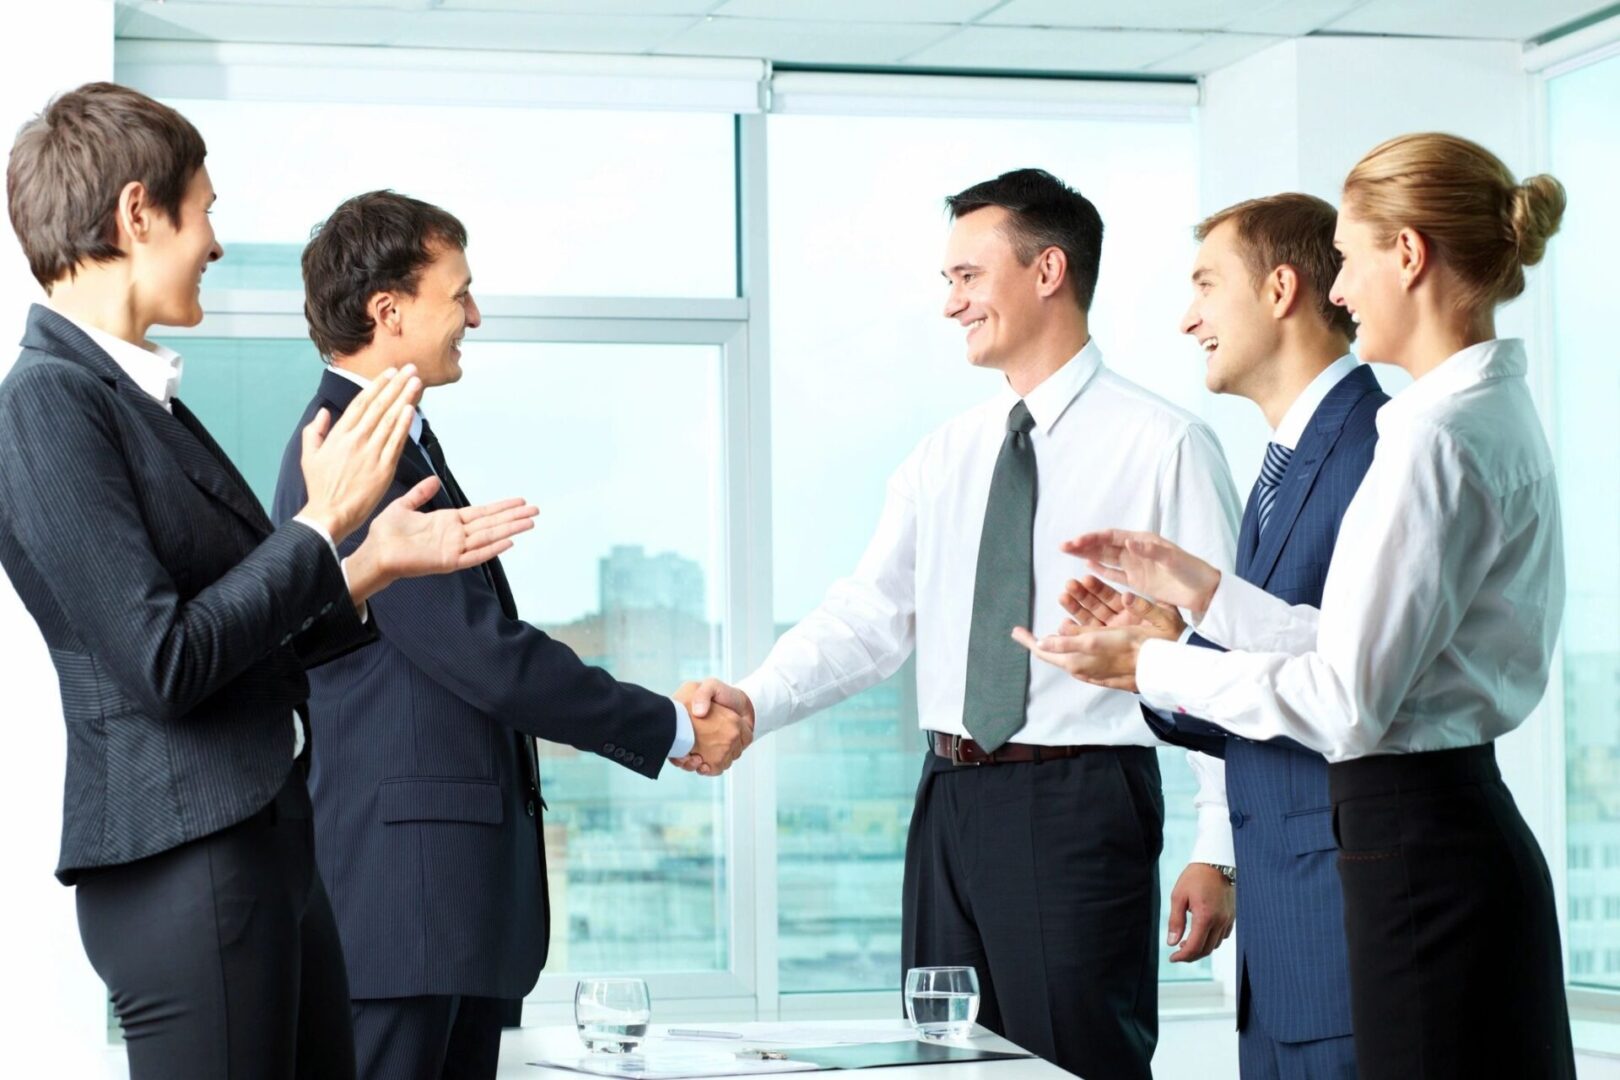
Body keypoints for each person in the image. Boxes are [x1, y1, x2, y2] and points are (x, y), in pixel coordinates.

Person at [0, 83, 535, 1079]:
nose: (213, 241)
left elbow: (247, 638)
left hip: (262, 843)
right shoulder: (47, 404)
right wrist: (324, 523)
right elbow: (162, 662)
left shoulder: (138, 400)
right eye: (204, 211)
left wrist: (368, 560)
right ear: (136, 214)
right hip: (185, 861)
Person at [1017, 133, 1575, 1077]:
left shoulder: (1429, 439)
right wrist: (1201, 592)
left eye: (1351, 259)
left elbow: (1346, 701)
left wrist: (1149, 665)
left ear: (1408, 257)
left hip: (1412, 857)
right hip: (1447, 837)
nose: (1343, 290)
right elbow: (1369, 652)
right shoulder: (1481, 413)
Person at [682, 168, 1241, 1079]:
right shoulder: (945, 454)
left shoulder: (1164, 444)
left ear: (1048, 270)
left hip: (1081, 800)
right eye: (949, 282)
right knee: (942, 1059)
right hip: (948, 798)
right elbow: (868, 617)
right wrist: (752, 698)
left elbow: (1222, 656)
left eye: (967, 277)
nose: (951, 304)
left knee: (1075, 1059)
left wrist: (1220, 849)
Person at [272, 190, 752, 1080]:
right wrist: (672, 727)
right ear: (389, 311)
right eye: (459, 295)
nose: (475, 316)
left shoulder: (398, 444)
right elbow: (485, 655)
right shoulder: (356, 458)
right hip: (406, 903)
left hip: (435, 904)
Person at [1065, 192, 1381, 1079]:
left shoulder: (1374, 448)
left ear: (1280, 290)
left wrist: (1164, 662)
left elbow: (1349, 688)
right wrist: (1158, 659)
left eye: (1207, 284)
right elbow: (1267, 683)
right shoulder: (1281, 466)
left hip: (1343, 929)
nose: (1187, 316)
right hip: (1286, 946)